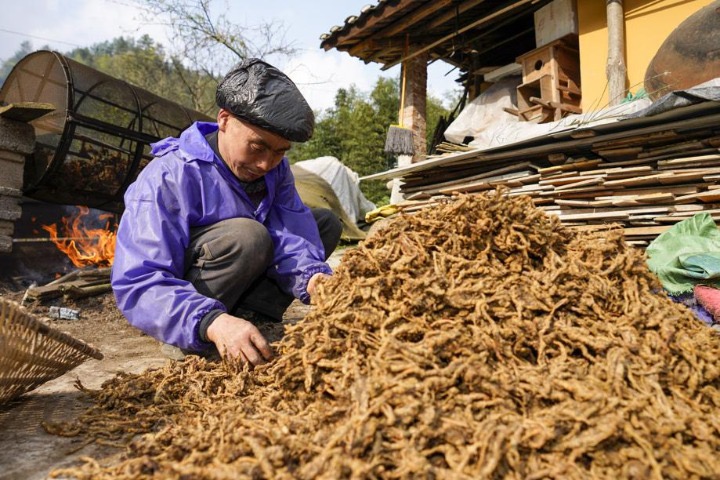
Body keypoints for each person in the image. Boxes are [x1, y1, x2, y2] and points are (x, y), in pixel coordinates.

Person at [111, 59, 342, 366]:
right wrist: (210, 321)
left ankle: (251, 319)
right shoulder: (169, 176)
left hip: (237, 273)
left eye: (280, 151)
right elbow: (139, 281)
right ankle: (198, 334)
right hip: (182, 301)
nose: (266, 164)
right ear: (224, 119)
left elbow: (290, 231)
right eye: (258, 146)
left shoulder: (275, 169)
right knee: (250, 235)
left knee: (324, 223)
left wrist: (314, 280)